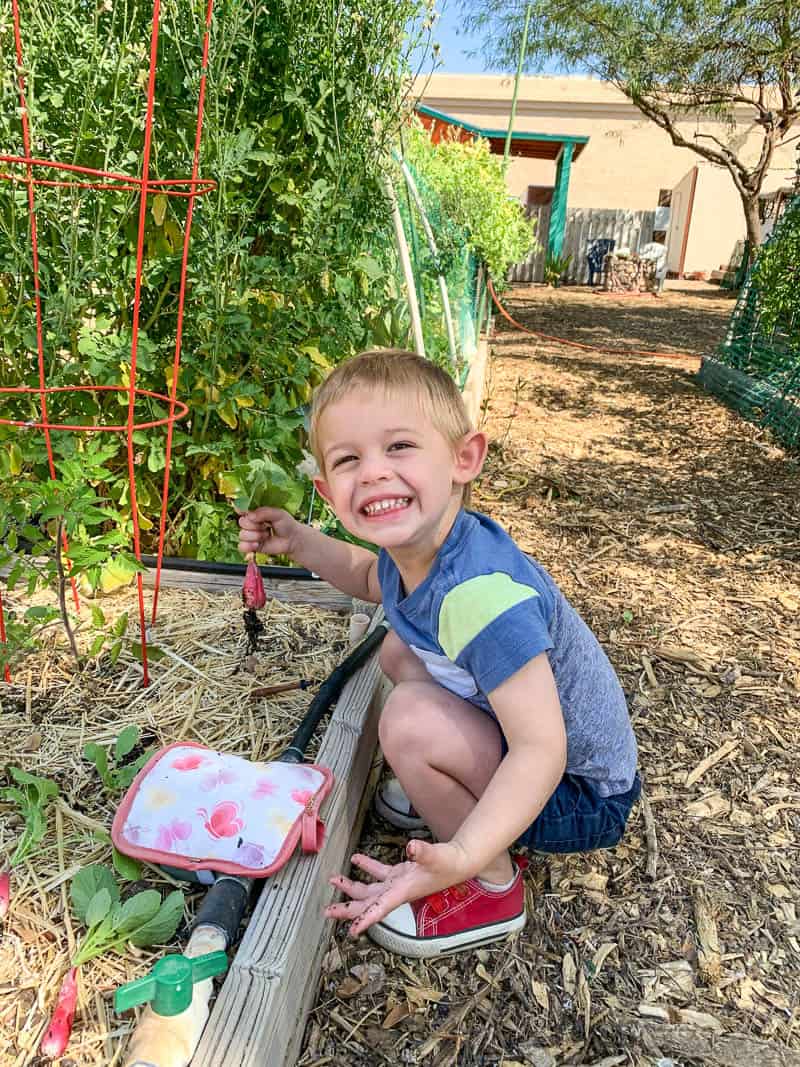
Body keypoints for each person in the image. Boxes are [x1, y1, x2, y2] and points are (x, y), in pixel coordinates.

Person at [238, 349, 640, 958]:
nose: (373, 472)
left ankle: (491, 887)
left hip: (583, 795)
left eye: (399, 447)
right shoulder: (423, 551)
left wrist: (461, 853)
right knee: (399, 652)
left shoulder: (480, 598)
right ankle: (453, 786)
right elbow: (368, 577)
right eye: (348, 459)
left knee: (408, 722)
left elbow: (542, 748)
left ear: (463, 459)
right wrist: (296, 539)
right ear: (327, 489)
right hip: (547, 759)